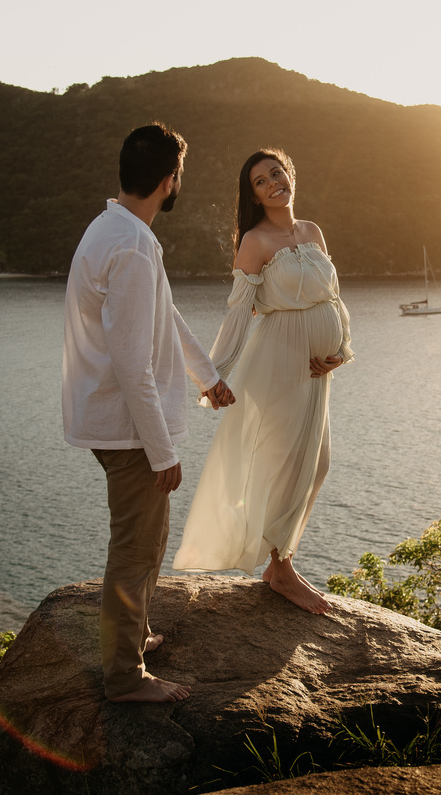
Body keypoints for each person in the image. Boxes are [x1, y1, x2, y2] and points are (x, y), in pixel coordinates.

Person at [62, 123, 235, 703]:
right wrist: (164, 453)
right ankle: (124, 677)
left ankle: (132, 638)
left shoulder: (113, 228)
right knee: (136, 550)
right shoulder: (133, 245)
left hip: (114, 418)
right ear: (170, 181)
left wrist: (206, 375)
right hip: (129, 428)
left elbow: (163, 314)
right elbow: (133, 363)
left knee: (147, 542)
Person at [173, 148, 353, 614]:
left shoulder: (311, 232)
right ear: (252, 194)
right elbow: (237, 317)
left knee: (318, 465)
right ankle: (283, 572)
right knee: (285, 465)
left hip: (315, 371)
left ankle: (279, 564)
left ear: (290, 174)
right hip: (278, 363)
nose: (272, 182)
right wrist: (213, 377)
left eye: (277, 173)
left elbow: (333, 297)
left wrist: (341, 351)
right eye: (260, 181)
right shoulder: (254, 242)